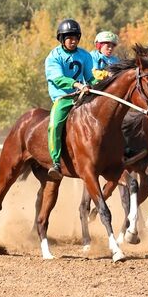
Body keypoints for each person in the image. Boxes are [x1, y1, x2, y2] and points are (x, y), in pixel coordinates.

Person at [44, 19, 95, 181]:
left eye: (75, 38)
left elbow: (90, 77)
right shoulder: (53, 57)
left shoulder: (85, 55)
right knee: (54, 125)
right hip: (63, 97)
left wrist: (97, 85)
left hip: (82, 95)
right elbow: (57, 78)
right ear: (62, 39)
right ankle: (56, 162)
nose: (73, 41)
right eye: (69, 38)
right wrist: (77, 85)